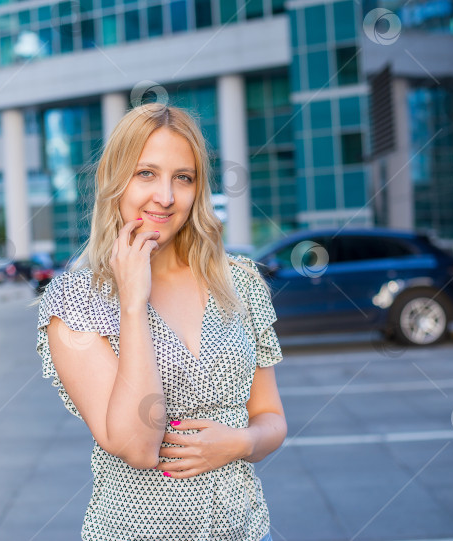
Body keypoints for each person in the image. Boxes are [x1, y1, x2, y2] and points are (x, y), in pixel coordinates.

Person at [36, 102, 287, 540]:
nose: (166, 197)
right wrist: (133, 302)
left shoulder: (240, 282)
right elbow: (136, 445)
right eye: (146, 173)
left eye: (183, 178)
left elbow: (270, 416)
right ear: (115, 181)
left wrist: (242, 443)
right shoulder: (77, 302)